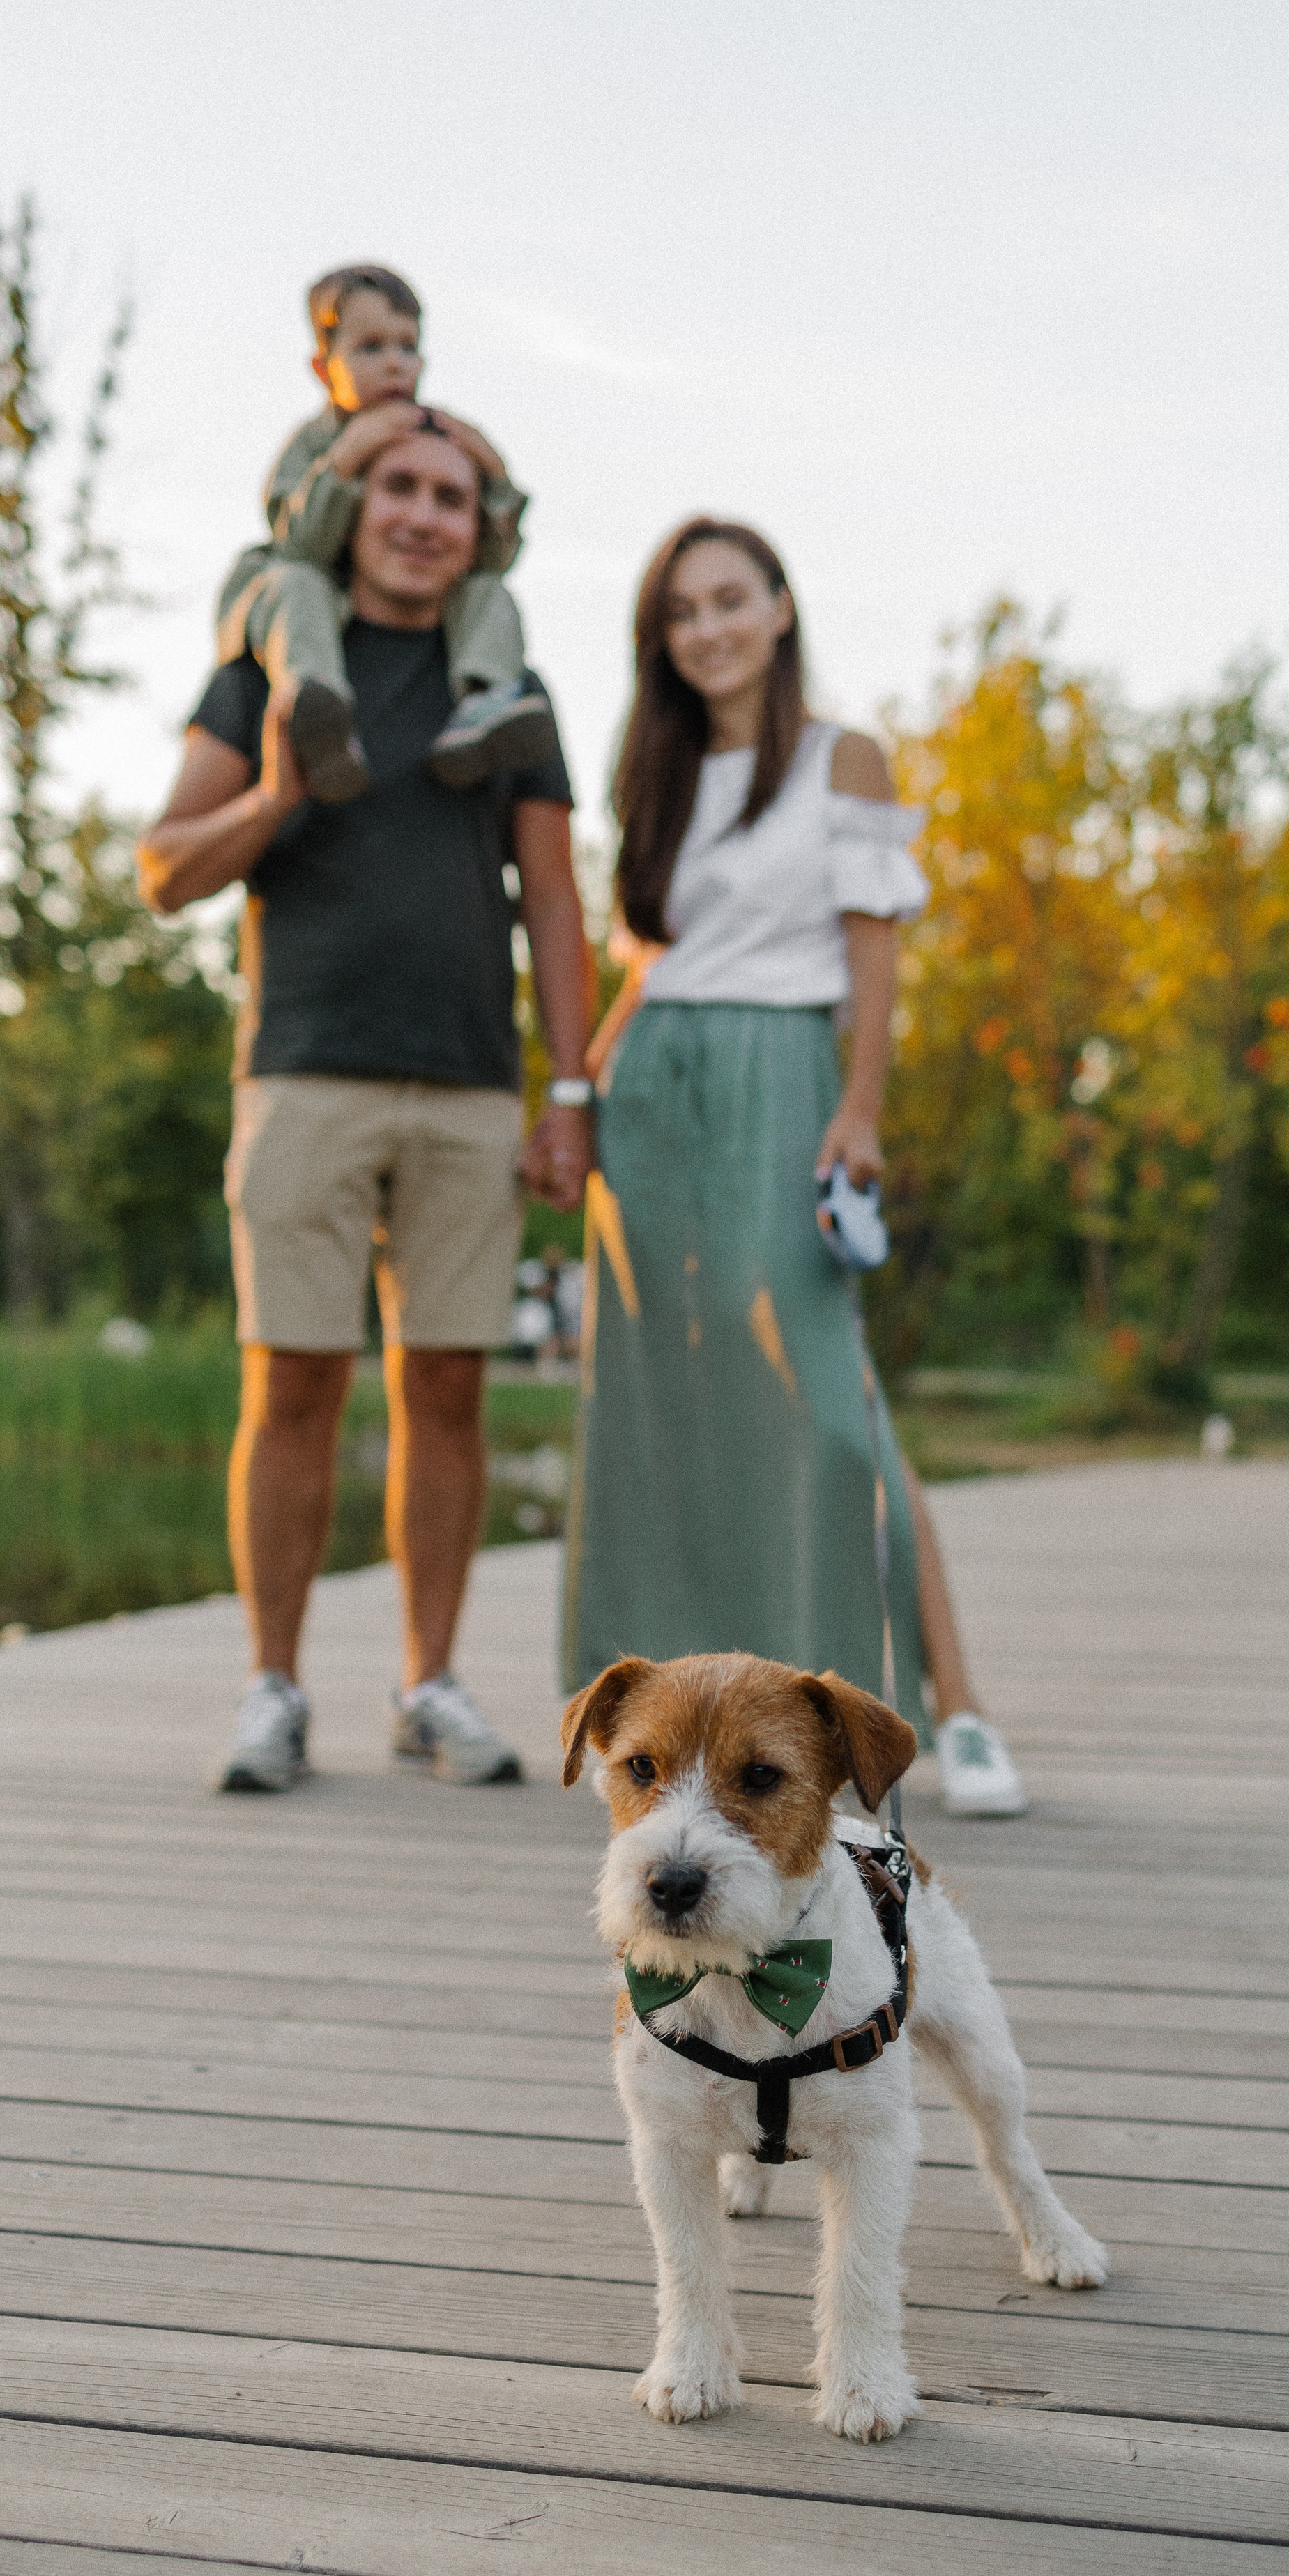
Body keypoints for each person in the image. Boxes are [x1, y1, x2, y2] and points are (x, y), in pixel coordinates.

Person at [139, 420, 593, 1794]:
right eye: (398, 487)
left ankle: (426, 1684)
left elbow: (555, 902)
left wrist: (566, 1088)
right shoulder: (266, 664)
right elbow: (163, 869)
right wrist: (280, 789)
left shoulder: (507, 685)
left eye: (449, 497)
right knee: (291, 1388)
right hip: (304, 1072)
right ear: (349, 504)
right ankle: (271, 1690)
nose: (421, 514)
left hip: (466, 1086)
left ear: (480, 524)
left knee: (447, 1389)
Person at [563, 516, 1028, 1818]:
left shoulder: (845, 757)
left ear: (778, 607)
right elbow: (648, 958)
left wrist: (862, 1108)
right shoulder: (649, 769)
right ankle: (667, 1738)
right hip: (651, 1089)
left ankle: (955, 1712)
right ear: (661, 639)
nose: (707, 628)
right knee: (663, 1407)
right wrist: (576, 1096)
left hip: (787, 1080)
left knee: (836, 1413)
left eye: (729, 599)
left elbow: (875, 948)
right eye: (681, 611)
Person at [215, 261, 556, 803]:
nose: (394, 364)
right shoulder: (313, 446)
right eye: (370, 348)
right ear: (324, 369)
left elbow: (490, 560)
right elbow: (300, 546)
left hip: (414, 616)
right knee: (296, 582)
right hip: (305, 607)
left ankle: (486, 702)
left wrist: (494, 475)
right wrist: (347, 459)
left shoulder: (435, 436)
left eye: (407, 347)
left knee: (490, 594)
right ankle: (317, 708)